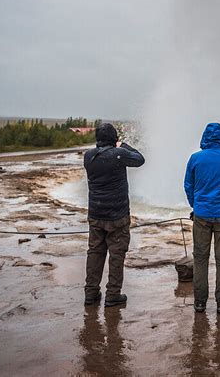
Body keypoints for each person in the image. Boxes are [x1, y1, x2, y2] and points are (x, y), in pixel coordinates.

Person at [84, 122, 145, 307]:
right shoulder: (119, 154)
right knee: (117, 255)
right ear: (113, 139)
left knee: (95, 252)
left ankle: (91, 293)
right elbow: (140, 159)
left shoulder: (88, 156)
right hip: (117, 215)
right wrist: (123, 145)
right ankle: (113, 294)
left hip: (96, 213)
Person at [184, 122, 220, 315]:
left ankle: (200, 302)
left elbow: (188, 185)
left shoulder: (195, 159)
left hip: (201, 214)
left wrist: (195, 204)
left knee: (200, 258)